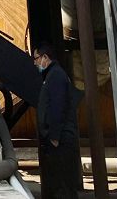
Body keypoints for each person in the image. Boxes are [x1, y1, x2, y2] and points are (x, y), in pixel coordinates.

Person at [34, 43, 82, 199]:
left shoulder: (56, 75)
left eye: (36, 58)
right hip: (59, 138)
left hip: (61, 139)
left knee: (64, 185)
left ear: (45, 57)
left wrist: (54, 136)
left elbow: (57, 107)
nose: (35, 63)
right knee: (60, 183)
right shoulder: (52, 75)